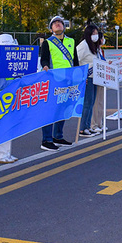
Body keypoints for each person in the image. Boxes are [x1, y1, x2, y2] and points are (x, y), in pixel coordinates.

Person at [40, 15, 78, 151]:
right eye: (54, 23)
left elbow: (75, 62)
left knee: (63, 109)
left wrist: (78, 76)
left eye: (60, 23)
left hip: (67, 81)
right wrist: (45, 66)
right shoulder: (48, 42)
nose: (57, 24)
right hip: (53, 81)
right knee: (50, 110)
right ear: (51, 29)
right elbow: (44, 59)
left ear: (64, 26)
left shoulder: (71, 42)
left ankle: (58, 136)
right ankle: (46, 139)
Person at [0, 34, 20, 164]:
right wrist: (17, 81)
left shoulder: (5, 63)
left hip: (5, 99)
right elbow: (1, 85)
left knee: (7, 126)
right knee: (0, 128)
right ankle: (0, 155)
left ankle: (6, 153)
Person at [75, 23, 102, 137]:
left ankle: (87, 126)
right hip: (87, 79)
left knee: (91, 103)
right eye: (94, 33)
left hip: (94, 78)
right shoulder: (83, 45)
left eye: (96, 33)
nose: (96, 36)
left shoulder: (93, 46)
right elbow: (76, 60)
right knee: (87, 103)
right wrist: (80, 77)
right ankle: (82, 129)